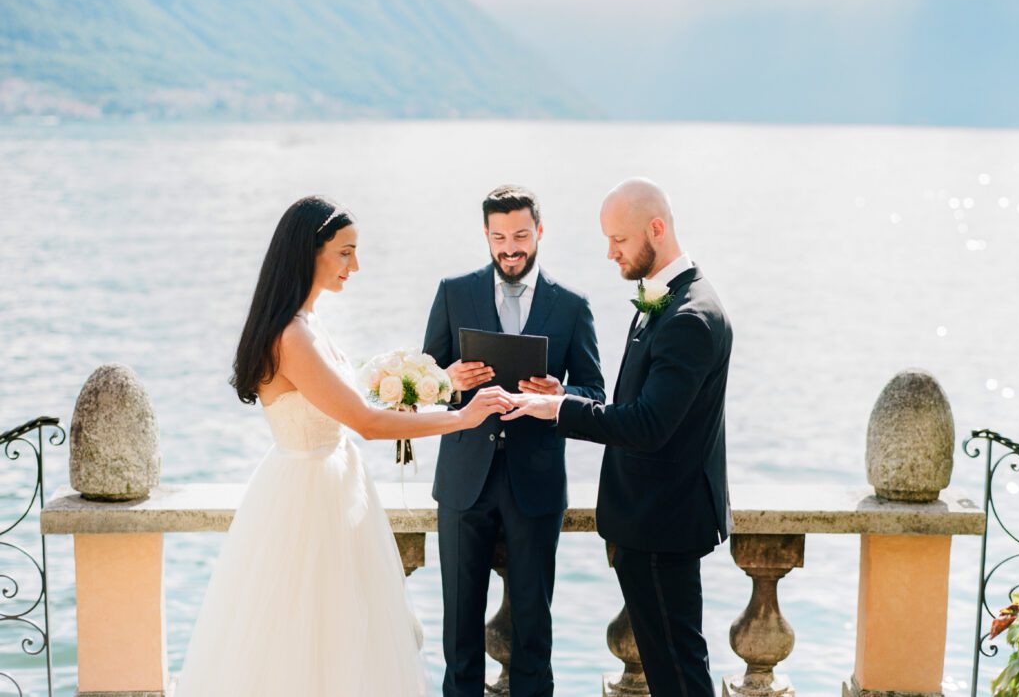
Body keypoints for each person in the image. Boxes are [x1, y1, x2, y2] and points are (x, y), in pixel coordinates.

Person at [174, 196, 514, 697]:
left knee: (344, 635)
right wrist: (463, 416)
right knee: (308, 637)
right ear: (308, 253)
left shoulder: (306, 324)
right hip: (308, 499)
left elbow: (350, 395)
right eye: (345, 253)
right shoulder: (291, 336)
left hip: (333, 488)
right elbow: (366, 422)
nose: (356, 266)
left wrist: (438, 379)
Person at [503, 178, 732, 697]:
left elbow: (648, 427)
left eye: (618, 241)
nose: (609, 253)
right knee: (671, 666)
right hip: (652, 523)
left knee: (678, 674)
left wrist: (558, 409)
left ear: (656, 228)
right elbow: (638, 408)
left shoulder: (689, 318)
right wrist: (563, 392)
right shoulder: (668, 300)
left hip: (662, 526)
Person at [423, 184, 605, 696]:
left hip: (536, 481)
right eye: (499, 236)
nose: (510, 247)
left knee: (533, 626)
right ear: (485, 235)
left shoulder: (571, 306)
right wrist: (449, 381)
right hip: (464, 480)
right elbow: (424, 381)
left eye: (520, 235)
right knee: (459, 625)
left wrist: (561, 391)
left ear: (539, 232)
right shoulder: (453, 292)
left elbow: (595, 391)